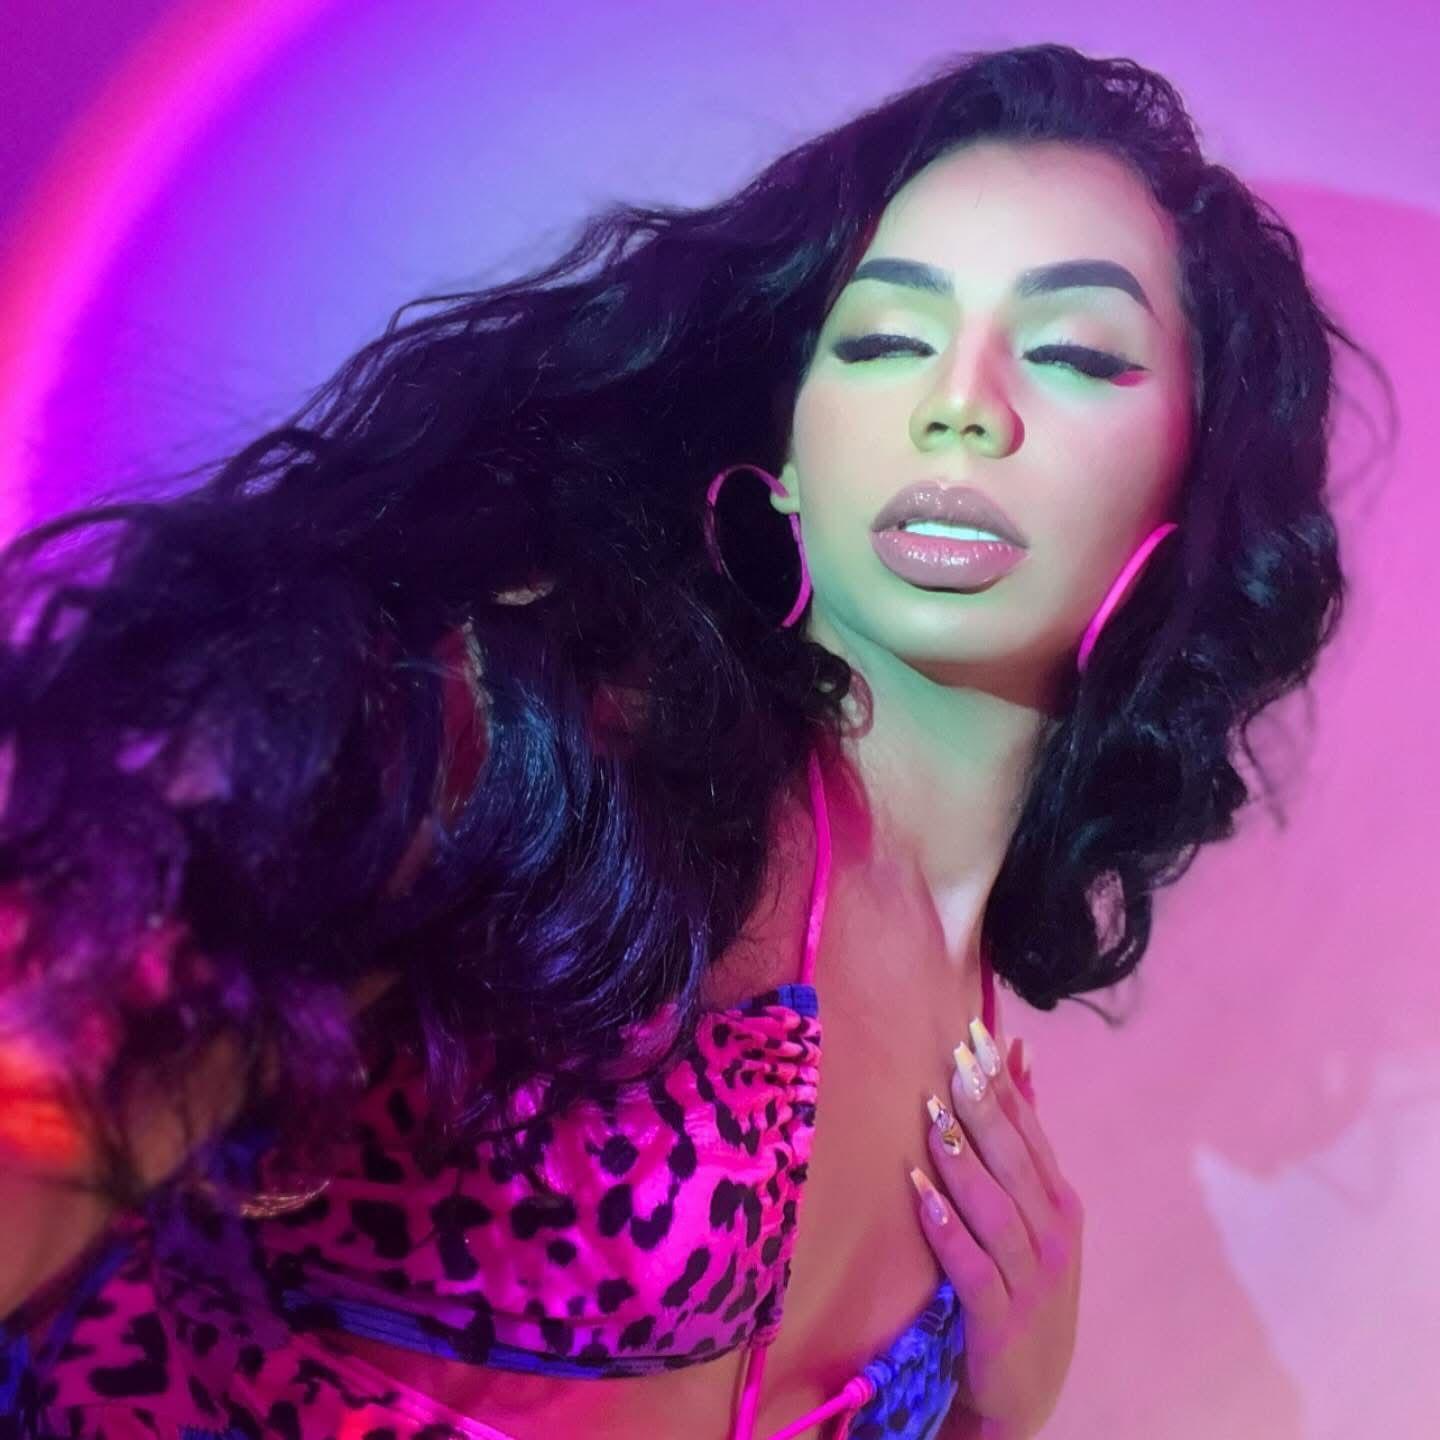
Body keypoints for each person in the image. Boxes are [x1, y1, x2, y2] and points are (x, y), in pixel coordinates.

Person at [0, 40, 1381, 1440]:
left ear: (1189, 489)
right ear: (787, 458)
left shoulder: (979, 1040)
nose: (960, 404)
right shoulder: (561, 749)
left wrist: (996, 1410)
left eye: (1075, 352)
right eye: (883, 339)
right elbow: (63, 1098)